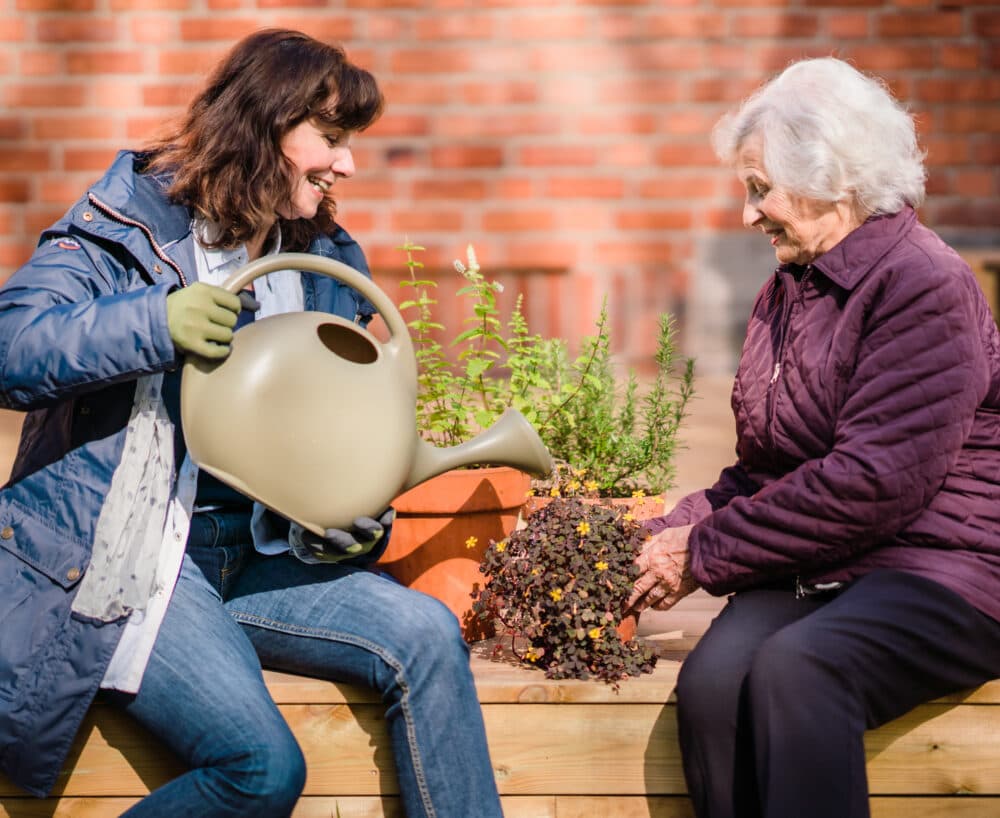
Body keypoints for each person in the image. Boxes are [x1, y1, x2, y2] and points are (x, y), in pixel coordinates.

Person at [0, 29, 503, 818]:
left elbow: (340, 433)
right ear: (265, 125)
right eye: (331, 139)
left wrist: (352, 519)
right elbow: (13, 347)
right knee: (260, 769)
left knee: (429, 635)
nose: (348, 164)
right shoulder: (123, 225)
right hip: (144, 560)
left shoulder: (323, 257)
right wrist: (156, 323)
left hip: (266, 556)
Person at [626, 57, 1000, 818]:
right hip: (830, 561)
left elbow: (873, 481)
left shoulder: (924, 284)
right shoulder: (791, 286)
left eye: (760, 188)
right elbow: (765, 470)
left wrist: (702, 553)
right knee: (713, 686)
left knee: (800, 669)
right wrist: (656, 535)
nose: (747, 214)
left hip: (947, 567)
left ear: (832, 176)